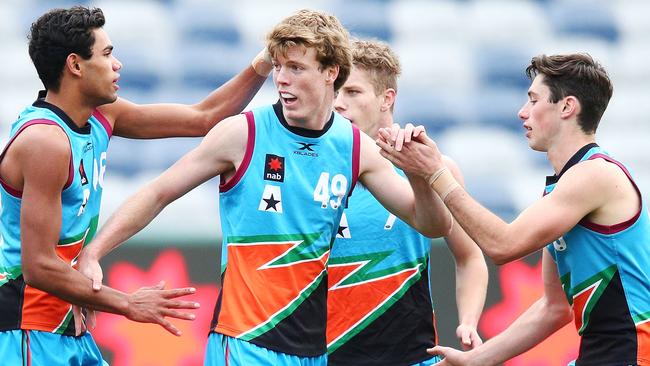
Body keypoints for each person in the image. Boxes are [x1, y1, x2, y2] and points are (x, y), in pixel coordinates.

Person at [78, 9, 453, 366]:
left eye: (296, 67)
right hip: (244, 342)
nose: (281, 79)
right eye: (277, 67)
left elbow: (431, 224)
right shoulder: (244, 134)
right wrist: (94, 252)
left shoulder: (356, 148)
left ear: (330, 72)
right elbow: (157, 192)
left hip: (313, 352)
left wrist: (420, 174)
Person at [0, 5, 272, 365]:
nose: (118, 65)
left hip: (68, 330)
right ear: (75, 65)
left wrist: (265, 61)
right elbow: (39, 266)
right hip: (28, 331)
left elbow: (204, 118)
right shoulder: (46, 142)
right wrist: (127, 302)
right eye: (108, 54)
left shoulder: (101, 115)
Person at [378, 53, 650, 365]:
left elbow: (503, 246)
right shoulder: (565, 186)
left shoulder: (594, 175)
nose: (523, 112)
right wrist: (477, 359)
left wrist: (436, 173)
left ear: (567, 107)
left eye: (534, 100)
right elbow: (554, 306)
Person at [327, 39, 487, 366]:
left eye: (353, 92)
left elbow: (470, 257)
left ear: (387, 98)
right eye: (336, 92)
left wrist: (469, 321)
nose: (339, 104)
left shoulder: (436, 168)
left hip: (411, 357)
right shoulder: (314, 169)